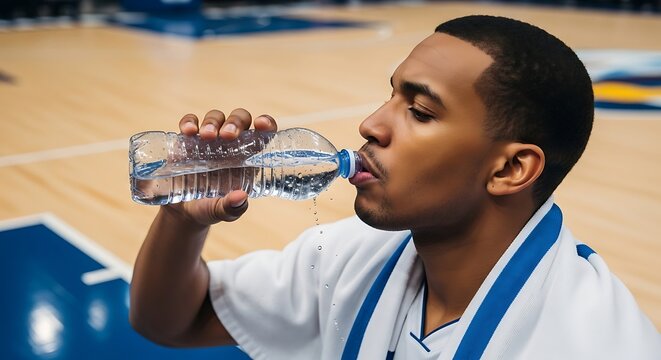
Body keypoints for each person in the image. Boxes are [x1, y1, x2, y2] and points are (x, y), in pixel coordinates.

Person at [129, 15, 661, 359]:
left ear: (510, 170)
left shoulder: (596, 343)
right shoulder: (351, 255)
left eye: (421, 112)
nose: (371, 125)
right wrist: (181, 221)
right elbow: (174, 320)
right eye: (390, 96)